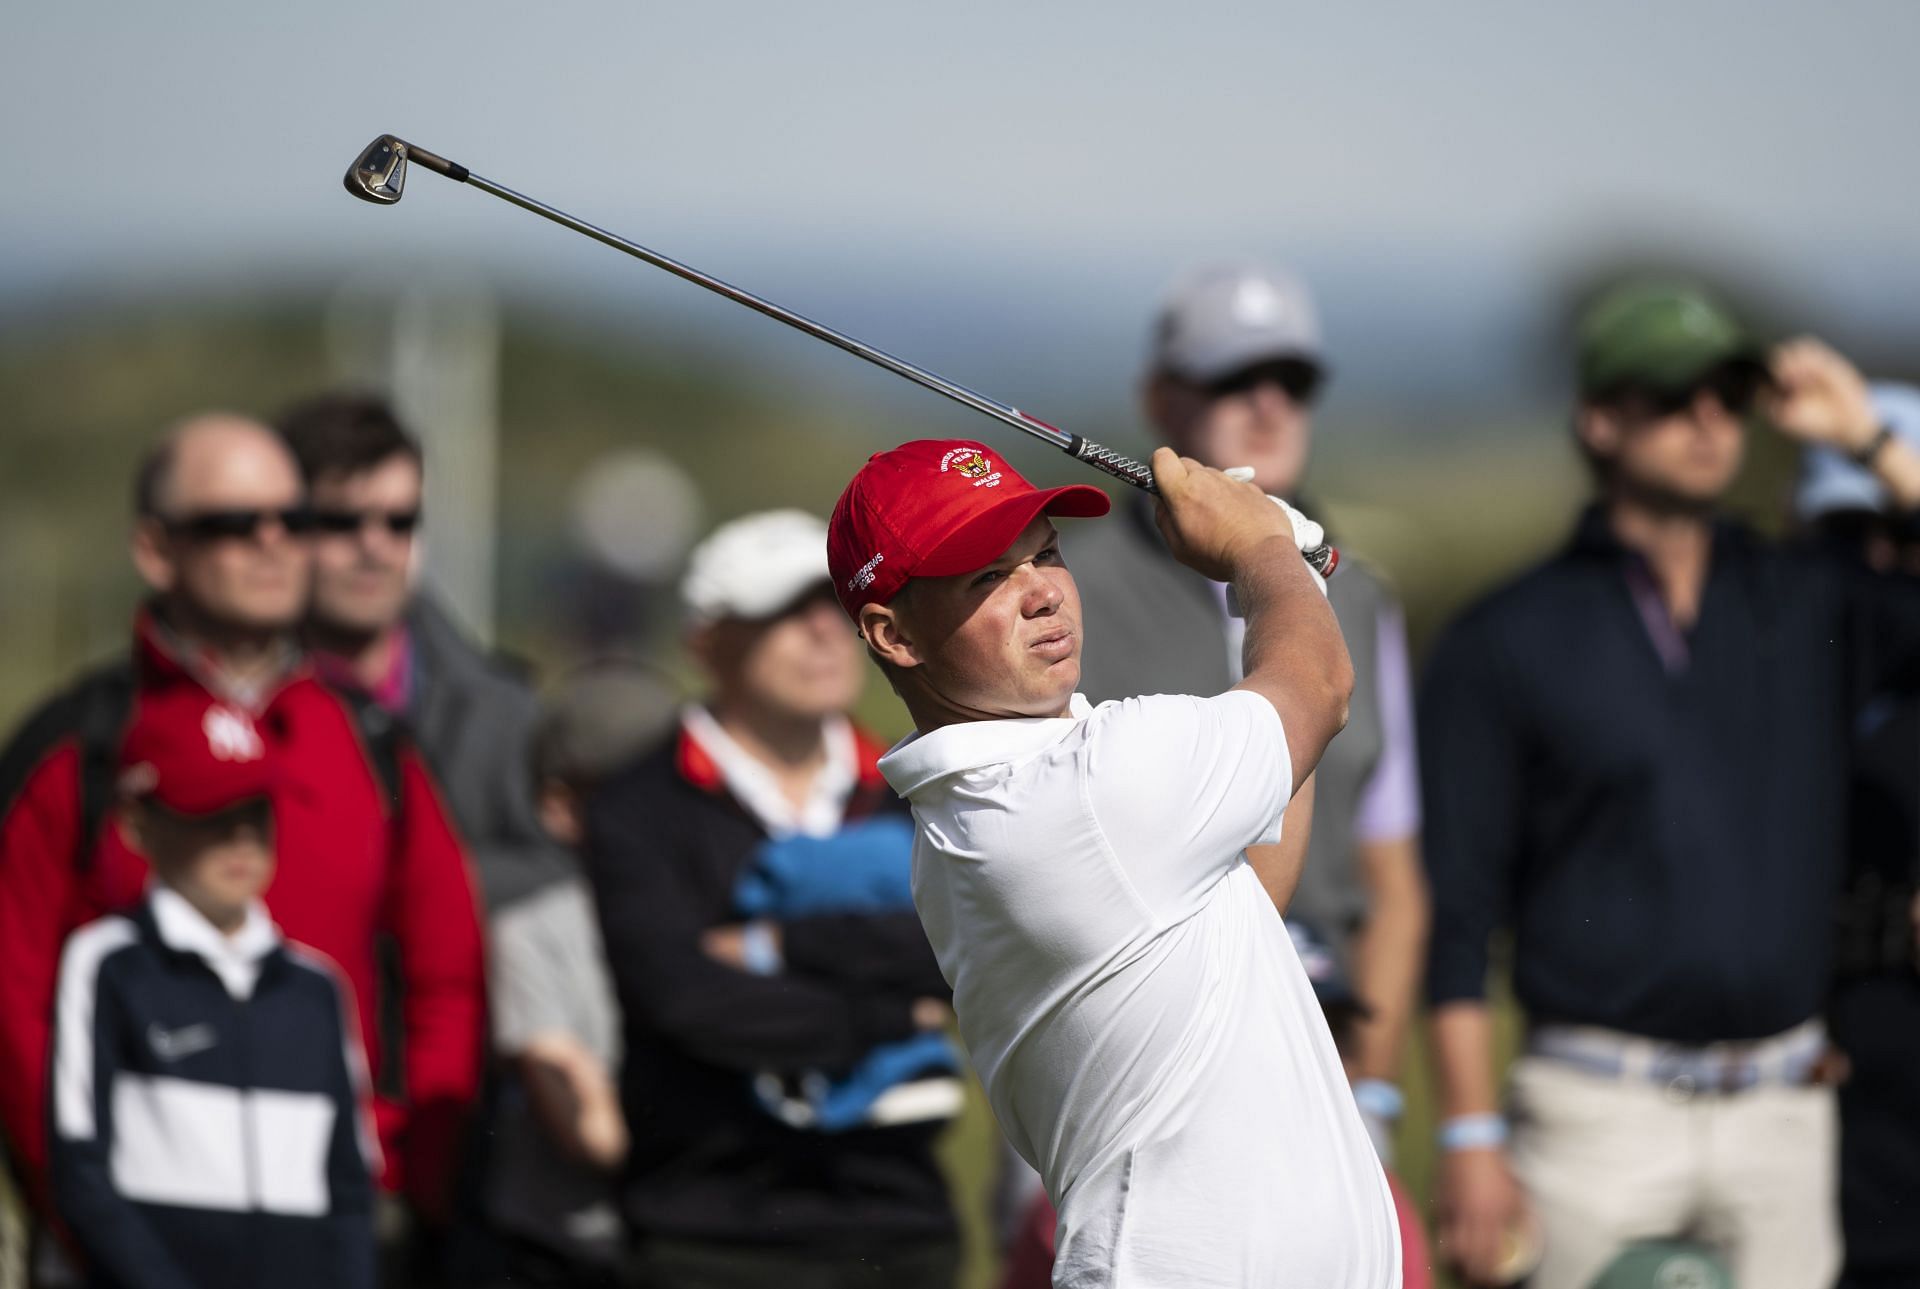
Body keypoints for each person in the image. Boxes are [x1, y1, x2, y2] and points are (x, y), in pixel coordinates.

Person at [1420, 282, 1920, 1289]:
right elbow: (1459, 915)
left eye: (1728, 394)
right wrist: (1469, 1135)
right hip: (1593, 1111)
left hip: (1784, 1109)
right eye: (1674, 393)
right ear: (1599, 420)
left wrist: (1867, 438)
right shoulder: (1506, 636)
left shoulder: (1808, 599)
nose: (1707, 418)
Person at [834, 439, 1399, 1286]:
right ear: (893, 634)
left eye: (1047, 554)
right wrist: (1262, 550)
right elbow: (1317, 686)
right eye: (987, 577)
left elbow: (1252, 889)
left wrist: (1288, 581)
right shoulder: (1079, 790)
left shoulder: (1006, 801)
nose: (1043, 593)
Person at [0, 415, 485, 1248]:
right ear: (155, 549)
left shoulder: (373, 746)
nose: (273, 545)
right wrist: (86, 1222)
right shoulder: (78, 749)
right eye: (232, 523)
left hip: (337, 1241)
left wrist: (402, 1179)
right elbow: (17, 1008)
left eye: (295, 520)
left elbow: (449, 977)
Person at [1071, 263, 1428, 1159]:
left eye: (1294, 382)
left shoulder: (1361, 596)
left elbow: (1391, 881)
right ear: (1160, 397)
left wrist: (1373, 1087)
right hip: (1126, 1082)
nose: (1268, 405)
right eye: (1232, 379)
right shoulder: (1061, 590)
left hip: (1327, 1070)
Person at [584, 510, 962, 1288]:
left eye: (835, 603)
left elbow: (957, 955)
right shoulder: (635, 805)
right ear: (705, 642)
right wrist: (890, 1015)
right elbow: (686, 1000)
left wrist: (782, 949)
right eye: (784, 614)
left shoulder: (919, 789)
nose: (826, 631)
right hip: (709, 1238)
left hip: (902, 1231)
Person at [49, 702, 378, 1289]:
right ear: (138, 824)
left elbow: (350, 1189)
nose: (243, 836)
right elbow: (81, 1171)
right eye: (213, 812)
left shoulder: (317, 989)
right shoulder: (107, 964)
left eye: (257, 810)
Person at [276, 390, 572, 911]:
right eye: (342, 522)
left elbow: (557, 870)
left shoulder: (503, 711)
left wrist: (409, 883)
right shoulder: (230, 707)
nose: (375, 547)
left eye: (400, 522)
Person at [478, 660, 678, 1289]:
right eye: (633, 792)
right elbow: (585, 1132)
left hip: (693, 1242)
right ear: (561, 807)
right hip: (565, 1251)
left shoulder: (724, 911)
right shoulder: (533, 934)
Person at [1795, 382, 1920, 1289]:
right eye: (1848, 538)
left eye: (1905, 539)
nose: (1876, 562)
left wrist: (1876, 449)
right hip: (1818, 1079)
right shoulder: (1783, 671)